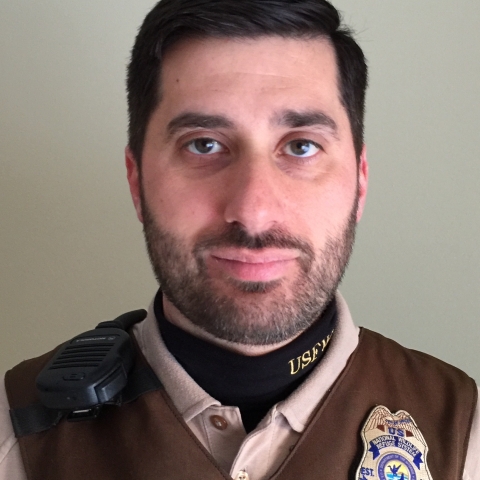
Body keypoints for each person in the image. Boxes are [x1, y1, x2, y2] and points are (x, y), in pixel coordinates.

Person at [0, 0, 478, 479]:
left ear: (359, 181)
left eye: (301, 146)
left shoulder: (463, 431)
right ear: (137, 180)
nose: (253, 211)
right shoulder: (14, 434)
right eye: (203, 144)